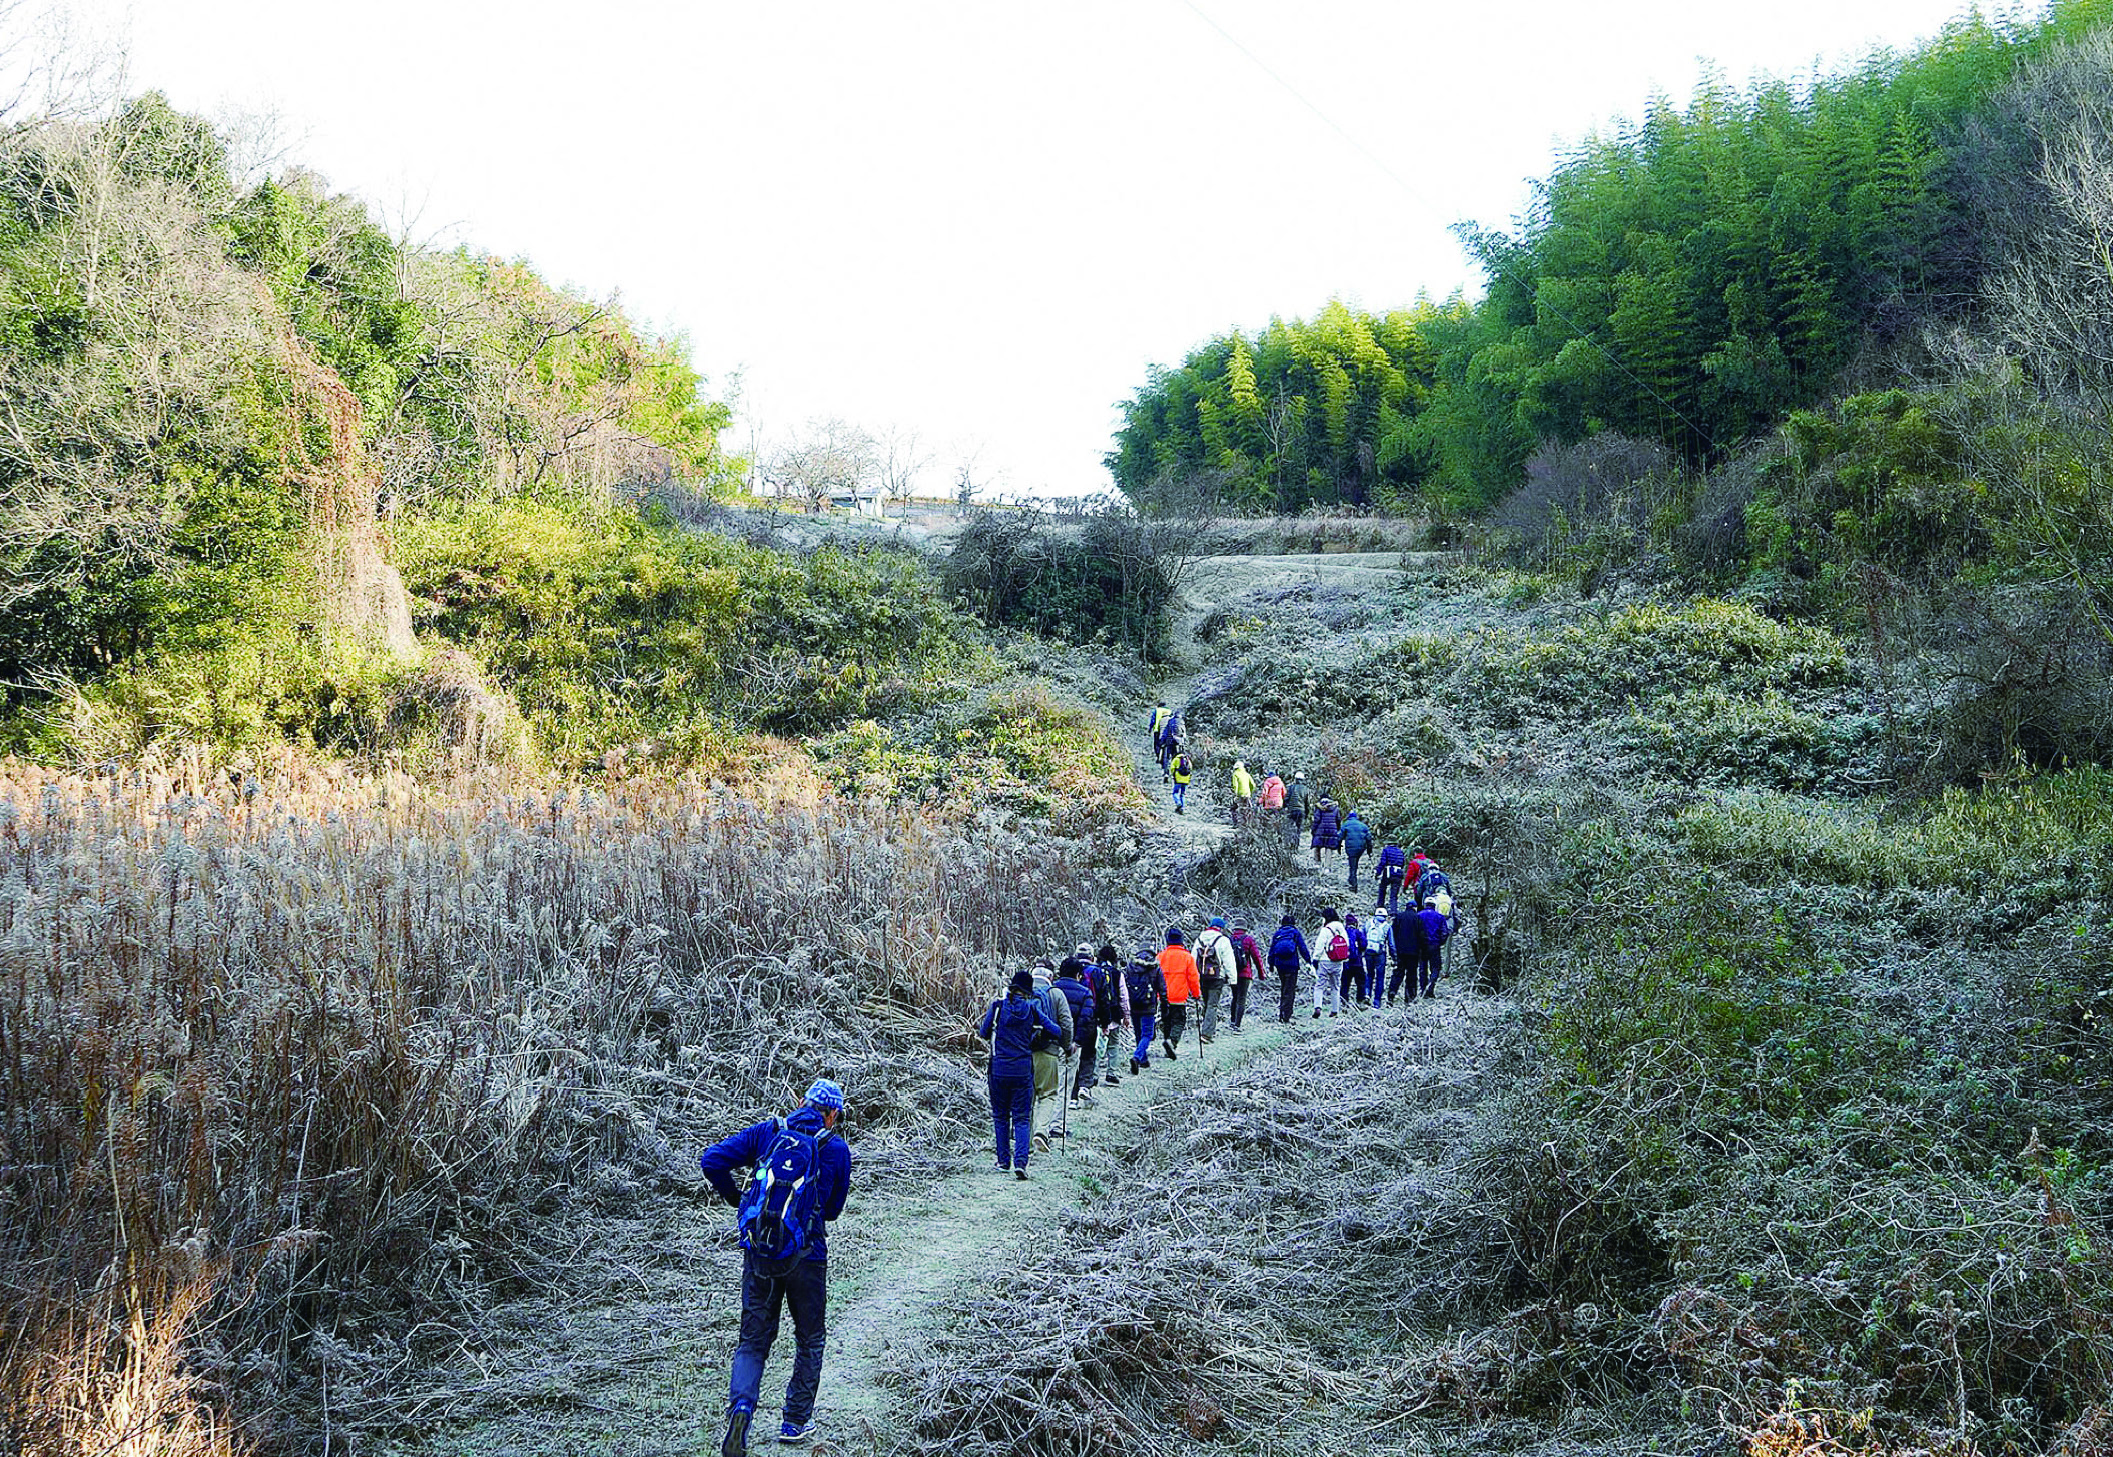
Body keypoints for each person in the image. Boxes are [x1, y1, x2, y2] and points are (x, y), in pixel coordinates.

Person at [700, 1078, 854, 1454]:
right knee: (810, 1338)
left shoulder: (768, 1132)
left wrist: (738, 1200)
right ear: (832, 1115)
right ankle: (795, 1422)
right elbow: (832, 1212)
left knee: (752, 1342)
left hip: (760, 1254)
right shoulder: (835, 1148)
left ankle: (741, 1409)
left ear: (801, 1102)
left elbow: (712, 1160)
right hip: (808, 1258)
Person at [979, 973, 1069, 1179]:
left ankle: (1003, 1161)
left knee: (1001, 1116)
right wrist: (1036, 1033)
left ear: (1011, 988)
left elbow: (983, 1033)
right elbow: (1056, 1030)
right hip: (1022, 1070)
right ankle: (1021, 1163)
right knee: (1021, 1118)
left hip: (999, 1069)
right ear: (1027, 992)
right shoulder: (1032, 1009)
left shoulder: (997, 1007)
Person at [1028, 960, 1074, 1139]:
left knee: (1027, 1096)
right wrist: (1066, 1046)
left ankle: (1024, 1139)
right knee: (1048, 1094)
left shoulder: (1020, 992)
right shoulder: (1056, 993)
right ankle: (1041, 1131)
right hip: (1048, 1051)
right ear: (1050, 977)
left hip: (1022, 1054)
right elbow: (1066, 1023)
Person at [1053, 957, 1097, 1107]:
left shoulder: (1051, 989)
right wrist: (1077, 1042)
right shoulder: (1085, 993)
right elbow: (1086, 1020)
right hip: (1072, 1044)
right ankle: (1059, 1125)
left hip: (1050, 1043)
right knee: (1066, 1083)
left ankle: (1044, 1124)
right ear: (1078, 974)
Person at [1089, 944, 1131, 1087]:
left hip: (1096, 1014)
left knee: (1096, 1045)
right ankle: (1111, 1073)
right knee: (1113, 1044)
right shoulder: (1117, 973)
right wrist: (1126, 1016)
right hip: (1113, 1013)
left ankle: (1093, 1074)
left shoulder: (1095, 971)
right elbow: (1124, 996)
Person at [1157, 927, 1200, 1060]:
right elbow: (1193, 978)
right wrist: (1196, 994)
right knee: (1179, 1021)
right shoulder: (1187, 957)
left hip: (1163, 997)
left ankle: (1167, 1043)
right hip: (1179, 997)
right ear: (1181, 941)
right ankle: (1172, 1042)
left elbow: (1154, 977)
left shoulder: (1160, 957)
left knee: (1167, 1021)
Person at [1124, 943, 1166, 1073]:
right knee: (1148, 1034)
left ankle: (1143, 1060)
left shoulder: (1130, 967)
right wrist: (1165, 1004)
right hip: (1148, 1005)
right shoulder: (1155, 968)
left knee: (1138, 1033)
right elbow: (1162, 988)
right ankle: (1137, 1057)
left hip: (1133, 1004)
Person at [1193, 916, 1236, 1042]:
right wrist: (1233, 980)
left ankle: (1206, 1028)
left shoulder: (1200, 939)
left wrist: (1194, 977)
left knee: (1206, 1003)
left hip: (1202, 976)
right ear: (1221, 928)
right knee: (1212, 1004)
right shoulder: (1223, 940)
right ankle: (1206, 1034)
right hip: (1217, 977)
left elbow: (1193, 958)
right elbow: (1229, 961)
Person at [1269, 913, 1313, 1023]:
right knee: (1290, 990)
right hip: (1292, 965)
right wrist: (1308, 961)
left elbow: (1272, 950)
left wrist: (1270, 964)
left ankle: (1281, 1014)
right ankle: (1286, 1016)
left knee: (1283, 989)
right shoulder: (1295, 932)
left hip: (1279, 965)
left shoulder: (1278, 933)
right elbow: (1302, 948)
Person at [1228, 920, 1266, 1030]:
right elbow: (1256, 957)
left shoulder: (1229, 940)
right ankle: (1237, 1025)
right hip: (1245, 973)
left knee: (1234, 997)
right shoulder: (1248, 939)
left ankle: (1232, 1021)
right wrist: (1261, 973)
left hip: (1232, 973)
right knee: (1241, 998)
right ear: (1245, 928)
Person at [1312, 906, 1349, 1017]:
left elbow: (1319, 946)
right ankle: (1334, 1010)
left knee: (1319, 986)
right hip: (1338, 962)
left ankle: (1318, 1007)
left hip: (1325, 960)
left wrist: (1315, 959)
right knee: (1336, 986)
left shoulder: (1325, 930)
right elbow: (1347, 944)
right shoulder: (1342, 929)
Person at [1388, 902, 1424, 1005]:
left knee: (1398, 972)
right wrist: (1422, 950)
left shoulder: (1399, 917)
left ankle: (1392, 992)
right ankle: (1410, 997)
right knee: (1411, 974)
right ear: (1414, 908)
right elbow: (1422, 936)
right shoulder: (1418, 918)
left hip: (1401, 951)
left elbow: (1393, 933)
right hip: (1414, 952)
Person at [1341, 810, 1373, 893]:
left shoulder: (1346, 824)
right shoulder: (1363, 826)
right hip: (1361, 848)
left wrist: (1337, 847)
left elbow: (1339, 836)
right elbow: (1369, 838)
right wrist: (1369, 850)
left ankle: (1353, 884)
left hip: (1351, 848)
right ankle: (1351, 878)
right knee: (1355, 863)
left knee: (1352, 865)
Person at [1343, 912, 1370, 1007]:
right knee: (1361, 982)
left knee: (1345, 983)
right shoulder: (1358, 932)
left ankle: (1343, 1002)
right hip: (1357, 962)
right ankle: (1360, 1001)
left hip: (1345, 962)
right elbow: (1363, 944)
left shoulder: (1343, 932)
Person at [1363, 904, 1388, 1006]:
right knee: (1380, 977)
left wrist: (1362, 951)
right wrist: (1394, 957)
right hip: (1380, 953)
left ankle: (1367, 994)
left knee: (1369, 974)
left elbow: (1363, 937)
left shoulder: (1368, 924)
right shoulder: (1387, 926)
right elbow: (1391, 944)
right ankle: (1377, 1001)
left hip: (1368, 952)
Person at [1376, 841, 1408, 913]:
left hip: (1389, 871)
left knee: (1382, 888)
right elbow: (1403, 863)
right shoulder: (1400, 851)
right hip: (1399, 873)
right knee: (1394, 894)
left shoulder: (1386, 850)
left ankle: (1380, 906)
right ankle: (1393, 910)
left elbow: (1383, 862)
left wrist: (1378, 872)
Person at [1310, 797, 1343, 867]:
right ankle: (1327, 867)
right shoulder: (1335, 808)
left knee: (1317, 846)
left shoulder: (1319, 808)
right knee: (1329, 848)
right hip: (1332, 829)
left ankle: (1317, 863)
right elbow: (1338, 819)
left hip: (1320, 830)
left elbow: (1316, 819)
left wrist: (1313, 829)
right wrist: (1337, 829)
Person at [1148, 702, 1173, 778]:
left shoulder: (1156, 710)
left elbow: (1153, 720)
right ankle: (1165, 760)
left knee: (1157, 745)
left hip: (1157, 730)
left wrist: (1150, 728)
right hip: (1167, 732)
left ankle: (1159, 757)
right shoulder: (1169, 711)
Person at [1284, 773, 1312, 839]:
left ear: (1295, 779)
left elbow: (1286, 799)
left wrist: (1285, 807)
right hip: (1301, 811)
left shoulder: (1291, 788)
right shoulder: (1306, 789)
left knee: (1290, 828)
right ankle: (1296, 843)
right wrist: (1307, 814)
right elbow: (1307, 803)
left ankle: (1291, 843)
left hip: (1292, 810)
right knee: (1298, 828)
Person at [1229, 759, 1255, 824]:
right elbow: (1253, 785)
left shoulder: (1235, 774)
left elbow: (1235, 785)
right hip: (1247, 794)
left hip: (1240, 794)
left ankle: (1236, 823)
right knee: (1247, 809)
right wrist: (1250, 792)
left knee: (1234, 809)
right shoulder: (1247, 774)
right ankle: (1248, 823)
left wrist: (1236, 794)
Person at [1171, 749, 1193, 815]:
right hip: (1186, 780)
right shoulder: (1188, 759)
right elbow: (1190, 768)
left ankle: (1178, 803)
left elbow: (1172, 768)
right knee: (1182, 794)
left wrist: (1173, 775)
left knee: (1175, 792)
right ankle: (1182, 807)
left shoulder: (1176, 759)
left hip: (1178, 779)